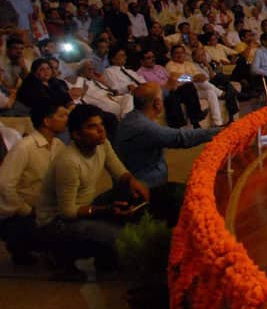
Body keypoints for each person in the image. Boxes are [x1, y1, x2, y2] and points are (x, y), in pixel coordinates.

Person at [35, 104, 150, 270]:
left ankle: (105, 256)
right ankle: (58, 253)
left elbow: (119, 172)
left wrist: (133, 181)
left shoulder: (102, 144)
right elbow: (67, 212)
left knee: (132, 193)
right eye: (92, 127)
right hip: (56, 222)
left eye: (101, 124)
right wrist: (105, 210)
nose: (101, 130)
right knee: (121, 236)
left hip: (85, 207)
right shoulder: (69, 162)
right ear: (76, 135)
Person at [112, 83, 219, 225]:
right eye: (162, 98)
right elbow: (181, 138)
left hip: (145, 181)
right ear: (157, 103)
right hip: (143, 190)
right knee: (193, 199)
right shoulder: (142, 126)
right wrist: (219, 131)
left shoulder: (133, 118)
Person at [0, 102, 68, 264]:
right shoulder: (25, 147)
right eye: (62, 115)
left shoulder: (58, 145)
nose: (67, 119)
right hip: (22, 215)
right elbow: (4, 184)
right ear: (47, 121)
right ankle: (20, 244)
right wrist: (26, 210)